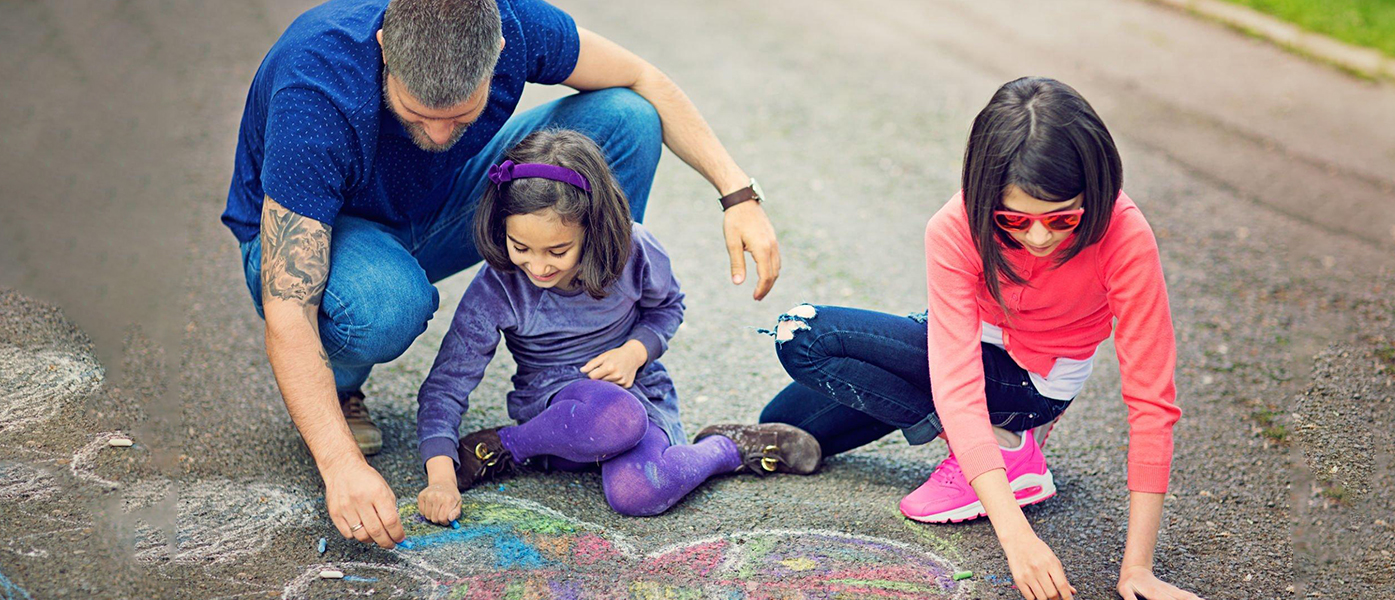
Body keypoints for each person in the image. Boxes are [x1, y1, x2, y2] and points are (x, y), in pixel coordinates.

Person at [223, 0, 780, 548]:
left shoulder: (513, 21)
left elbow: (643, 77)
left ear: (500, 54)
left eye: (460, 116)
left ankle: (585, 336)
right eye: (417, 114)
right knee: (385, 304)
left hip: (440, 203)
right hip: (337, 238)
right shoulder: (317, 86)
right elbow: (288, 308)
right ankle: (341, 390)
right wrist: (338, 464)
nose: (440, 134)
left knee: (628, 116)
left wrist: (737, 194)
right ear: (385, 49)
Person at [757, 77, 1198, 600]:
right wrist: (1016, 534)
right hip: (970, 355)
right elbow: (957, 381)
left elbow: (1151, 400)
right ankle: (993, 446)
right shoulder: (957, 225)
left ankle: (1008, 446)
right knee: (784, 427)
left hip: (1033, 382)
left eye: (1063, 218)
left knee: (803, 334)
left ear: (1094, 191)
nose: (1037, 237)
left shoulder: (1124, 233)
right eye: (1014, 218)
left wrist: (1137, 570)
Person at [413, 130, 819, 523]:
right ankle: (509, 447)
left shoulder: (634, 250)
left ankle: (728, 447)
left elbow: (668, 307)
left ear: (595, 228)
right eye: (521, 247)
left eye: (557, 250)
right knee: (611, 417)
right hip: (556, 415)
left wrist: (636, 351)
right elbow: (447, 384)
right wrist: (442, 479)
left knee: (639, 493)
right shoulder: (499, 284)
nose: (537, 267)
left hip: (635, 397)